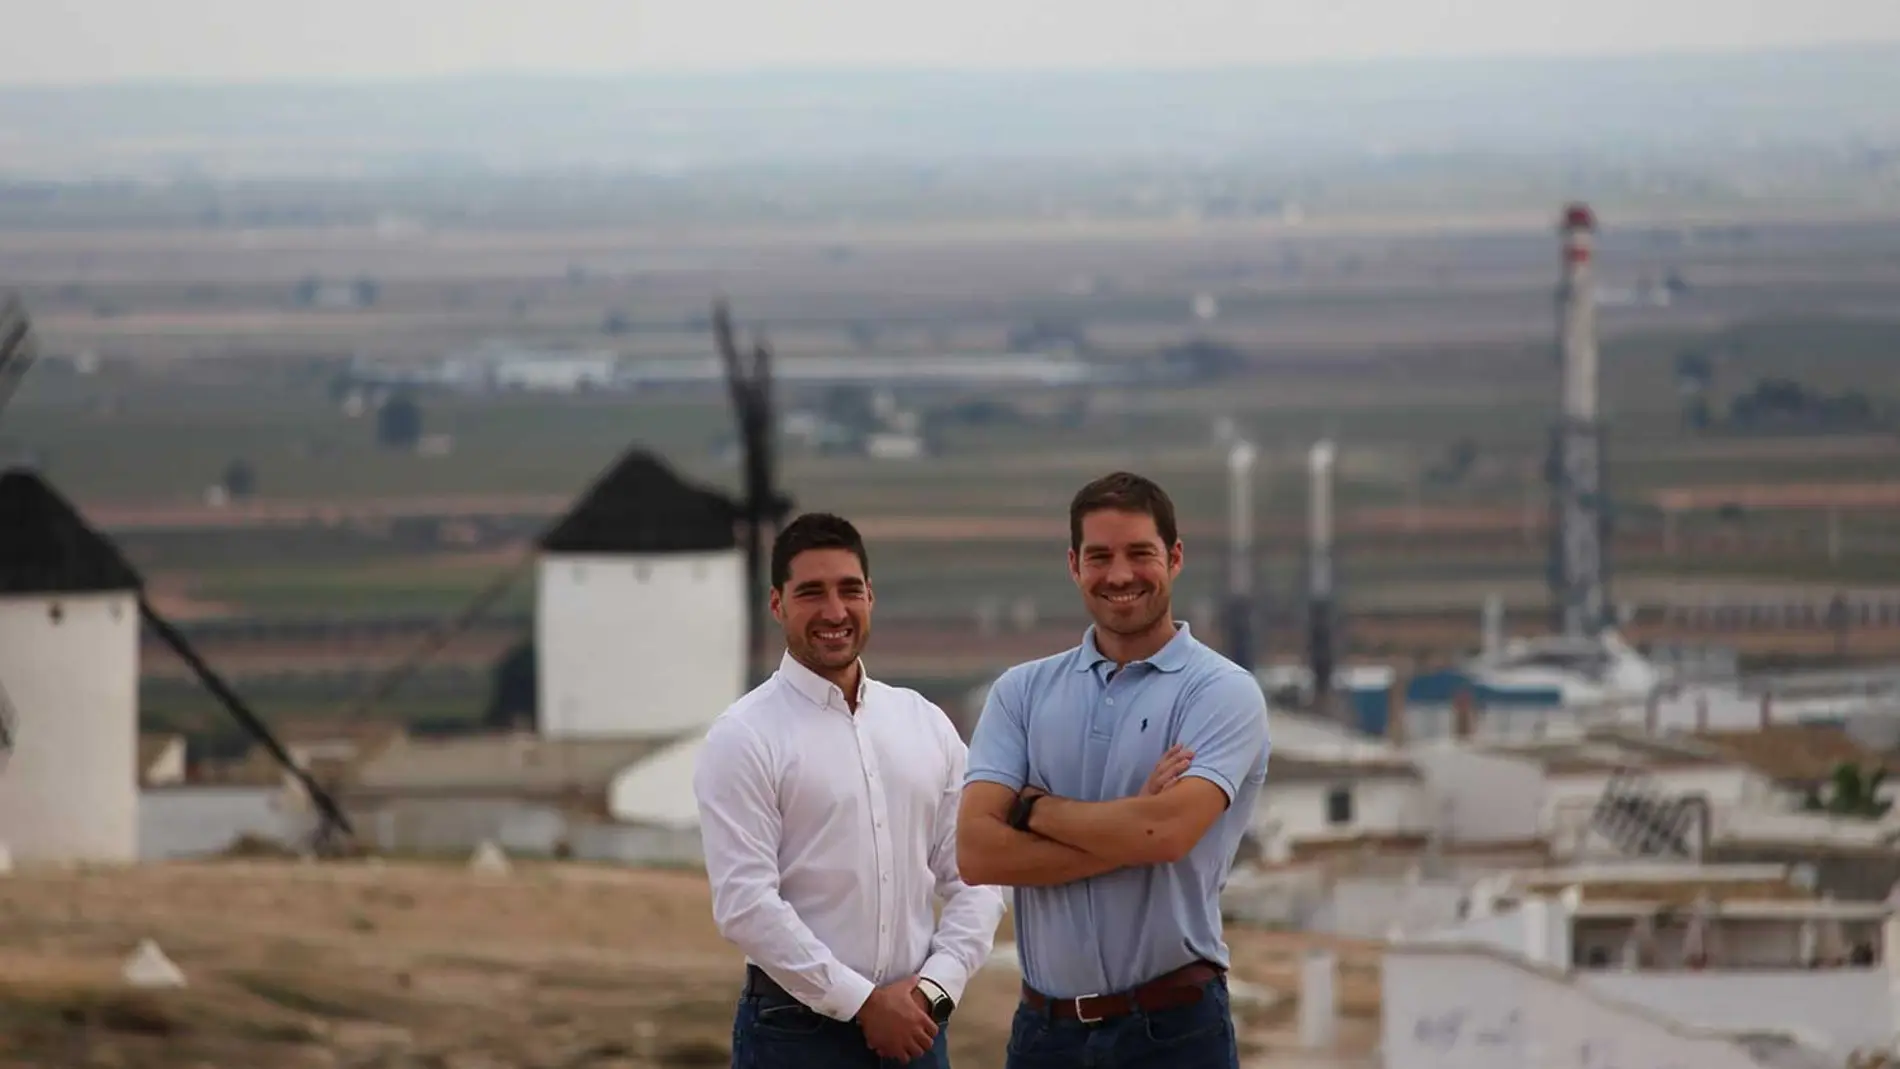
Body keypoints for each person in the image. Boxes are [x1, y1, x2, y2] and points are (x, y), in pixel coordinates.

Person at [956, 472, 1272, 1069]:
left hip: (1173, 1032)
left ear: (1175, 558)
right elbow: (976, 853)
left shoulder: (1221, 693)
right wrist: (1132, 828)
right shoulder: (1020, 694)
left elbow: (1167, 834)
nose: (1120, 575)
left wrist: (1033, 810)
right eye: (1099, 556)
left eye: (1140, 554)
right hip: (1044, 1037)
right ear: (1074, 565)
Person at [695, 511, 1008, 1069]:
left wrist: (933, 991)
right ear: (777, 604)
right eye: (811, 592)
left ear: (871, 597)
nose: (834, 611)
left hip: (917, 1029)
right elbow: (745, 903)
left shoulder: (924, 722)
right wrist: (863, 1004)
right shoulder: (744, 737)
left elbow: (976, 876)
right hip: (794, 1036)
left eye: (849, 590)